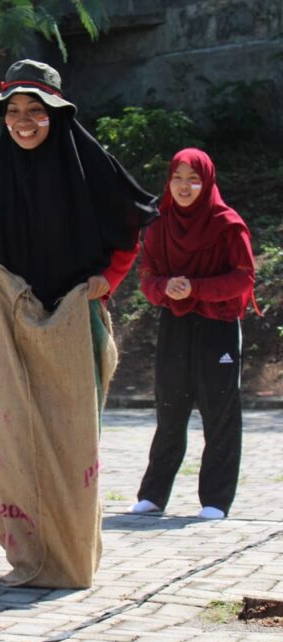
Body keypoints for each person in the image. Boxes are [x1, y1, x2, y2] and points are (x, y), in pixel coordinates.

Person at [0, 59, 158, 588]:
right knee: (14, 439)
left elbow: (129, 228)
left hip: (74, 317)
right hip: (9, 317)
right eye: (13, 111)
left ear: (59, 113)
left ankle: (69, 557)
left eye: (36, 111)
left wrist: (109, 279)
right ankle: (27, 553)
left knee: (72, 442)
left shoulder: (92, 167)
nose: (23, 122)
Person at [131, 149, 256, 520]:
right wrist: (165, 288)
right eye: (177, 178)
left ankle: (216, 500)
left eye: (194, 179)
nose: (184, 187)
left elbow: (243, 278)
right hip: (176, 322)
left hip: (218, 323)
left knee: (219, 411)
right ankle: (153, 495)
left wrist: (196, 288)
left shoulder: (227, 224)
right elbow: (147, 276)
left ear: (208, 182)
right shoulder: (160, 224)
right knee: (169, 408)